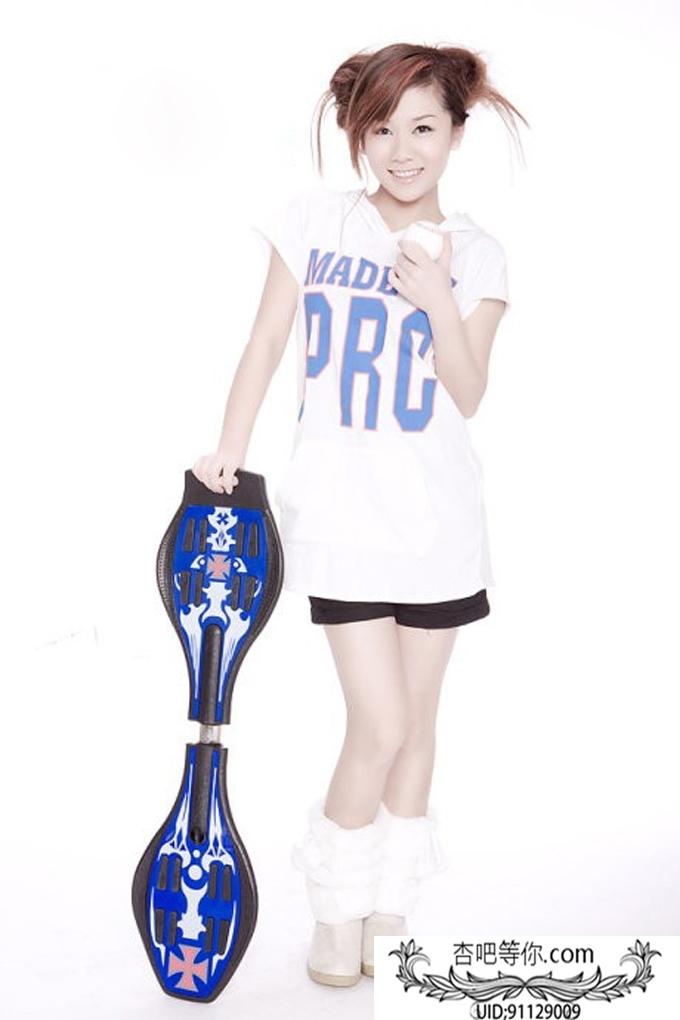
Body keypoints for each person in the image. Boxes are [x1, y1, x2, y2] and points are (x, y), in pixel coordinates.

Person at [192, 42, 528, 988]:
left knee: (417, 726)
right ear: (357, 134)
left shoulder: (479, 253)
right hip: (339, 520)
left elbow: (468, 392)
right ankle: (336, 910)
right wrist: (228, 451)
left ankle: (391, 908)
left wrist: (436, 302)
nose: (401, 149)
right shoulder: (315, 222)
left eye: (422, 127)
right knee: (376, 725)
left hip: (438, 526)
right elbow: (267, 339)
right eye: (380, 129)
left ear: (455, 133)